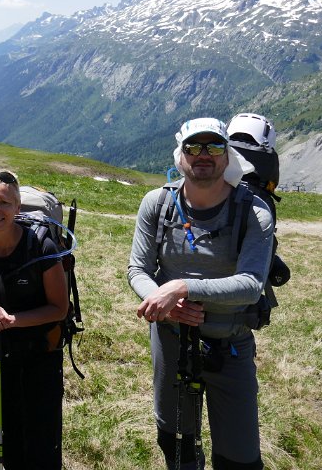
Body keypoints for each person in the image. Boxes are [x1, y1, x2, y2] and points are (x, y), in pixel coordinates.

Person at [128, 118, 273, 470]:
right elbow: (138, 270)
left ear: (228, 155)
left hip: (230, 343)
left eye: (214, 146)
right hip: (171, 338)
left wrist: (182, 288)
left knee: (240, 460)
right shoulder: (157, 204)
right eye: (193, 147)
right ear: (180, 156)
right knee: (176, 444)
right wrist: (166, 305)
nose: (203, 154)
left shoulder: (254, 211)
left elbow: (251, 285)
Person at [0, 169, 69, 469]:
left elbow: (59, 308)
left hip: (41, 350)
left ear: (17, 207)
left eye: (4, 203)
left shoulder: (42, 247)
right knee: (6, 423)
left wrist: (12, 320)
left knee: (42, 431)